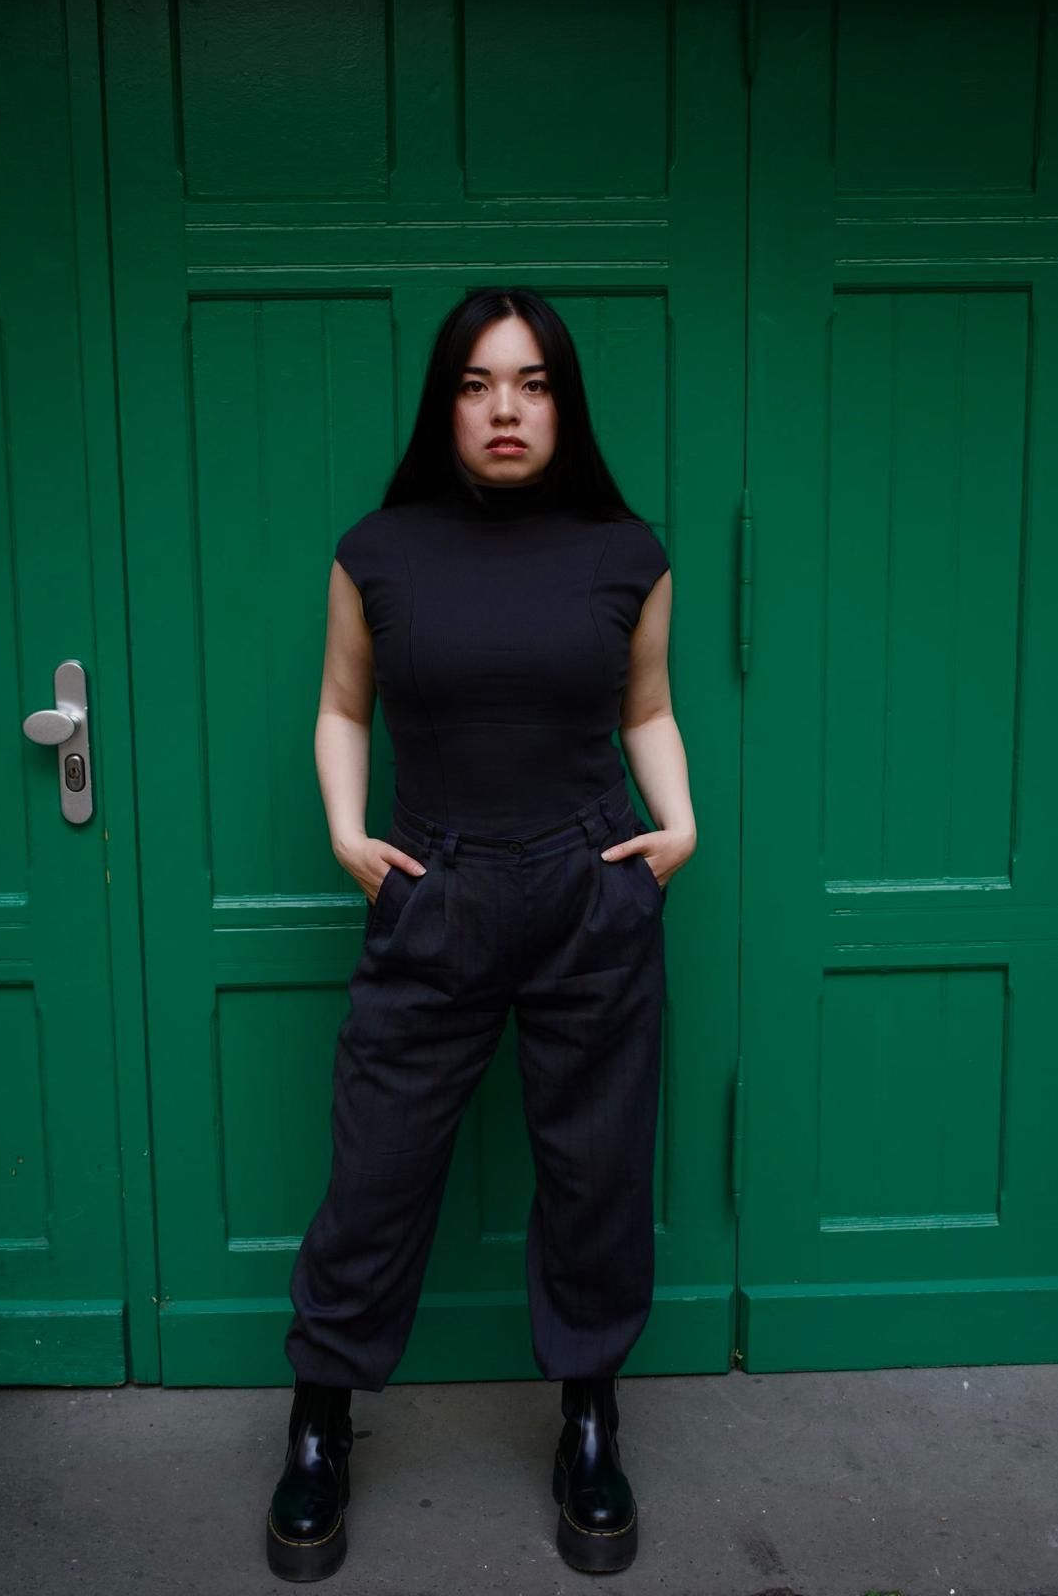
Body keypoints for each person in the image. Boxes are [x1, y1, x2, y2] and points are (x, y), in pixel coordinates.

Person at [265, 286, 698, 1581]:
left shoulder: (627, 554)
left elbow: (646, 708)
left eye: (531, 383)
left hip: (588, 890)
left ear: (563, 403)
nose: (505, 409)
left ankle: (588, 1418)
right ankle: (318, 1421)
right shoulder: (376, 552)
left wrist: (679, 826)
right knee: (377, 1170)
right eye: (475, 383)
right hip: (434, 889)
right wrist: (347, 833)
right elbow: (342, 707)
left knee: (597, 1173)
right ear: (444, 403)